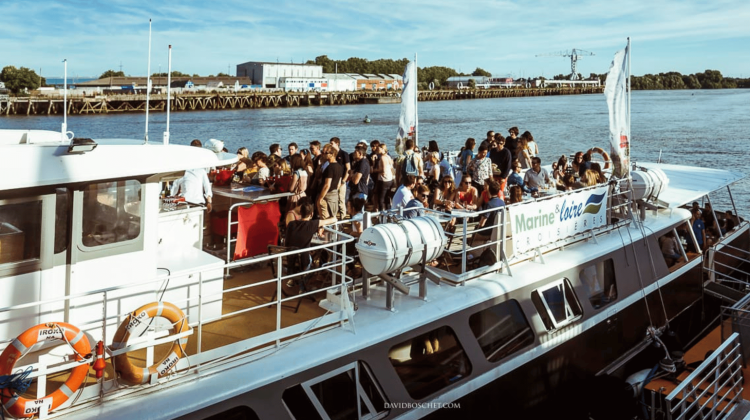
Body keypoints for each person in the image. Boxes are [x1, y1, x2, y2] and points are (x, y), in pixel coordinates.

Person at [285, 198, 337, 287]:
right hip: (303, 259)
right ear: (312, 214)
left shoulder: (291, 224)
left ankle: (296, 281)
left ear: (300, 213)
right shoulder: (311, 225)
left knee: (307, 257)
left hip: (289, 259)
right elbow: (333, 219)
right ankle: (303, 286)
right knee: (311, 262)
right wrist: (322, 225)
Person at [170, 140, 213, 212]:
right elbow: (207, 188)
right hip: (199, 203)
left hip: (185, 202)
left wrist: (170, 198)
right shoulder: (202, 170)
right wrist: (209, 202)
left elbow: (174, 189)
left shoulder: (182, 170)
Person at [317, 144, 343, 219]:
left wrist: (320, 198)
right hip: (334, 194)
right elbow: (338, 183)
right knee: (332, 217)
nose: (324, 154)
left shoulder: (330, 167)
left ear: (332, 154)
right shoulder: (339, 166)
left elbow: (327, 185)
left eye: (326, 153)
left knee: (325, 218)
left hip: (327, 195)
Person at [329, 137, 350, 219]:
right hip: (333, 180)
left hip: (341, 180)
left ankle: (343, 218)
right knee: (333, 200)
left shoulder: (344, 154)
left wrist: (343, 181)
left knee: (341, 200)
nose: (330, 145)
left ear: (337, 144)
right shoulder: (332, 154)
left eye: (332, 143)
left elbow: (348, 168)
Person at [372, 143, 394, 211]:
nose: (377, 150)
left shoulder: (383, 157)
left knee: (381, 199)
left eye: (379, 148)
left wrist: (374, 170)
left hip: (383, 179)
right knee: (387, 198)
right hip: (389, 179)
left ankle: (382, 215)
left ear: (382, 149)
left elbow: (383, 170)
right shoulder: (388, 156)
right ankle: (388, 213)